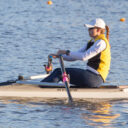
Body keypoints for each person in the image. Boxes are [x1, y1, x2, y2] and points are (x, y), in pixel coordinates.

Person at [41, 18, 111, 88]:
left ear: (98, 30)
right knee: (58, 71)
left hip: (95, 78)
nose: (88, 30)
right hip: (90, 76)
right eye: (89, 28)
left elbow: (83, 57)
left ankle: (41, 88)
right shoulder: (92, 42)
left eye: (90, 28)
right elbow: (75, 56)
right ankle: (43, 86)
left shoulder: (101, 43)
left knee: (60, 72)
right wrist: (59, 56)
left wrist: (66, 52)